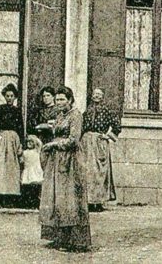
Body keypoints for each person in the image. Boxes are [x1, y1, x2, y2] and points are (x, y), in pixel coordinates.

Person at [40, 86, 91, 252]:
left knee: (69, 198)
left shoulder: (76, 115)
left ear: (70, 100)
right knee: (56, 197)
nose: (59, 103)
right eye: (57, 100)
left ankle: (74, 241)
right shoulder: (60, 115)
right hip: (57, 159)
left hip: (70, 161)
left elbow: (74, 140)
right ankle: (59, 237)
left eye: (62, 99)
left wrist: (55, 144)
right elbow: (56, 131)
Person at [83, 87, 121, 212]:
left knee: (100, 172)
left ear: (103, 96)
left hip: (100, 142)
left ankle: (99, 202)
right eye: (94, 94)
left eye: (99, 94)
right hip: (87, 143)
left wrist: (107, 136)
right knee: (88, 172)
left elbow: (116, 126)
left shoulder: (107, 110)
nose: (96, 96)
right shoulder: (87, 110)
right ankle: (89, 201)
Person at [0, 82, 23, 206]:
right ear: (4, 96)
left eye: (12, 96)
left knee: (12, 168)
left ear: (15, 97)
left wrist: (20, 144)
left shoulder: (17, 111)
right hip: (2, 138)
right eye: (7, 96)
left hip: (14, 140)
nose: (9, 98)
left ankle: (10, 198)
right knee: (0, 167)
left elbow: (20, 127)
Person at [21, 135, 45, 208]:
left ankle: (35, 204)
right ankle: (28, 204)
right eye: (28, 141)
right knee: (28, 189)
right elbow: (22, 161)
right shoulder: (25, 152)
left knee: (35, 188)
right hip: (28, 170)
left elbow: (40, 144)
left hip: (35, 171)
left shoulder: (37, 151)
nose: (29, 143)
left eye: (31, 142)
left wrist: (36, 139)